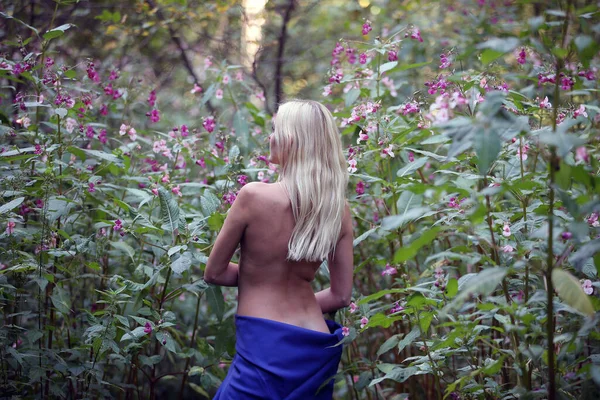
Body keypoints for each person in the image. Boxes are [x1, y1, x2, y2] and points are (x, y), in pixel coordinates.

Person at [204, 99, 354, 399]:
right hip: (315, 344)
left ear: (292, 140)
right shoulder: (338, 210)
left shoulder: (253, 196)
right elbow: (340, 296)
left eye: (275, 129)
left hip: (264, 344)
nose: (270, 137)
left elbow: (214, 272)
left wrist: (258, 276)